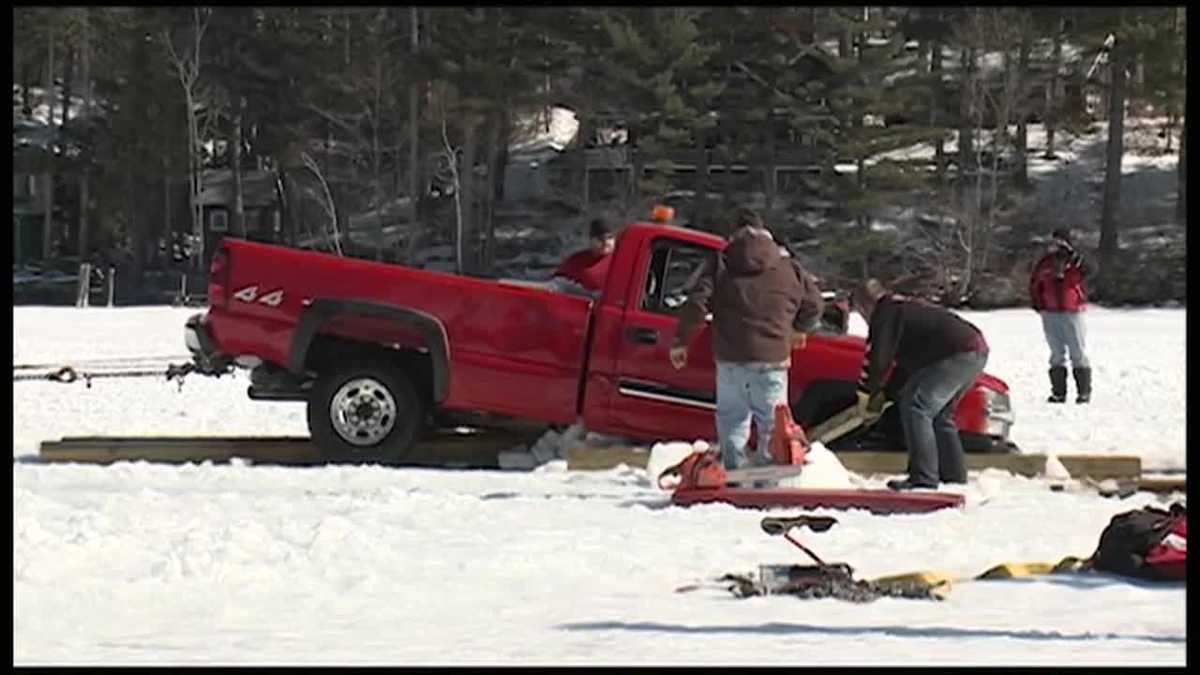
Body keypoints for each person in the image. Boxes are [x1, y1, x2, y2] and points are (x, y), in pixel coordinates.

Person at [669, 207, 824, 471]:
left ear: (734, 233)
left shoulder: (721, 263)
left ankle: (734, 470)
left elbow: (697, 303)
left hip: (731, 357)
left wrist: (681, 340)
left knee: (732, 419)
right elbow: (815, 304)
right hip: (772, 358)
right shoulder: (789, 267)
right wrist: (798, 329)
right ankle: (767, 474)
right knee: (772, 423)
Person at [850, 279, 989, 490]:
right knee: (941, 415)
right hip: (975, 350)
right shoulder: (903, 309)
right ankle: (953, 474)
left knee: (916, 408)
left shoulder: (886, 314)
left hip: (957, 353)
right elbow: (905, 366)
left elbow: (878, 357)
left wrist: (866, 392)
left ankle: (923, 477)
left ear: (864, 304)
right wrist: (887, 394)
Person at [1029, 228, 1092, 403]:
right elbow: (1035, 283)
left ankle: (1083, 392)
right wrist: (1038, 304)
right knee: (1056, 354)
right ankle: (1059, 392)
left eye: (1060, 242)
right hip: (1050, 312)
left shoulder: (1076, 261)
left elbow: (1090, 271)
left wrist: (1073, 257)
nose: (1056, 246)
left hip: (1072, 311)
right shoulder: (1045, 263)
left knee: (1077, 352)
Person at [552, 218, 616, 295]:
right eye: (600, 239)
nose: (606, 242)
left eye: (610, 238)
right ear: (591, 240)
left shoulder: (620, 260)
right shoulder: (577, 260)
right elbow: (557, 283)